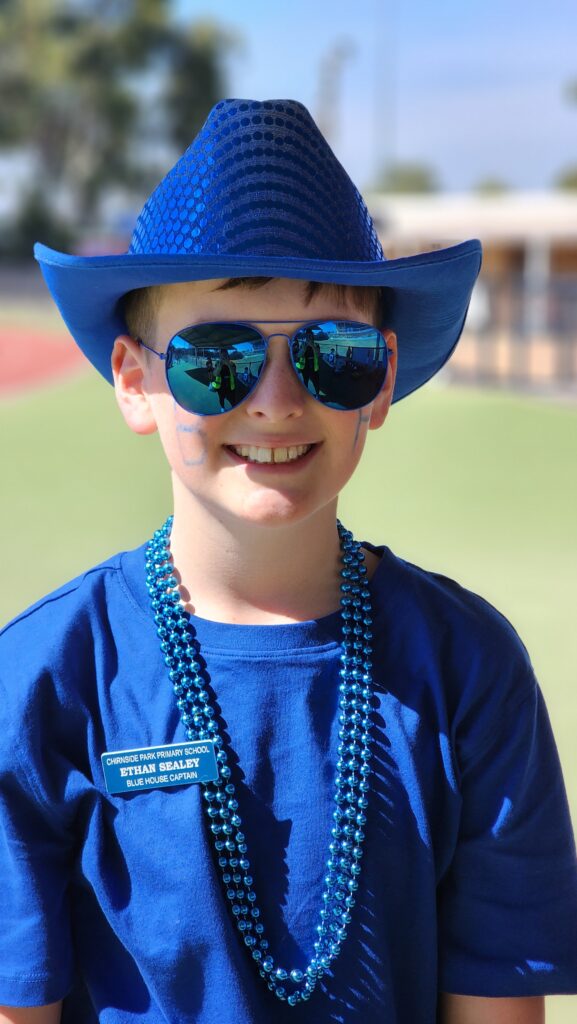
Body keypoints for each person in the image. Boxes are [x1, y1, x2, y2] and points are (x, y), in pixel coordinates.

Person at [0, 98, 576, 1024]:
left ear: (379, 382)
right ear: (135, 382)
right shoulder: (44, 679)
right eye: (215, 358)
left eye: (332, 355)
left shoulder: (469, 672)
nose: (274, 400)